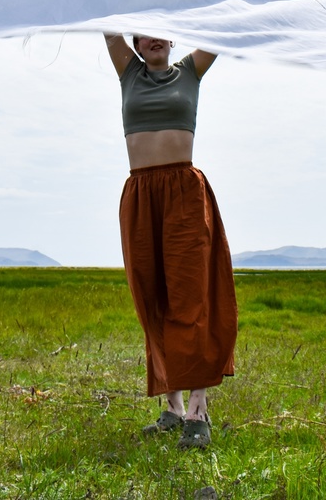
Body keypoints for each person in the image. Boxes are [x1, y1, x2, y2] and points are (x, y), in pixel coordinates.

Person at [103, 32, 238, 450]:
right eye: (144, 33)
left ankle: (198, 410)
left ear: (172, 35)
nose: (153, 38)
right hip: (141, 195)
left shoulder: (190, 71)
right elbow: (107, 24)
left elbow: (224, 30)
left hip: (184, 193)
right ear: (136, 42)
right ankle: (173, 408)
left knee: (190, 299)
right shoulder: (129, 73)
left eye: (160, 29)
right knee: (152, 299)